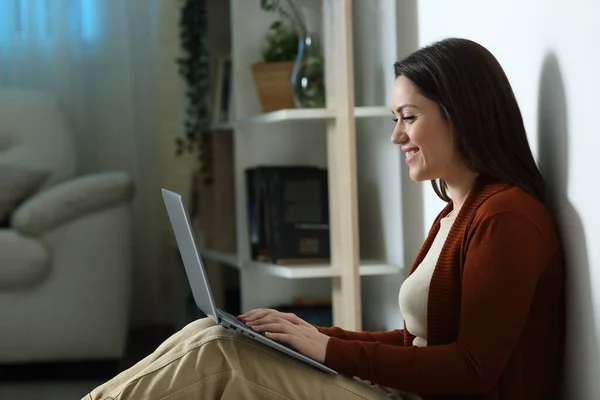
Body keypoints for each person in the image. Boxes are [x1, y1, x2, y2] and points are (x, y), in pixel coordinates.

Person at [84, 38, 564, 400]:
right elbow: (415, 343)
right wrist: (314, 335)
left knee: (221, 355)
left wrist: (330, 351)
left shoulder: (507, 218)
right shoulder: (454, 214)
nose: (397, 137)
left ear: (462, 115)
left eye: (409, 117)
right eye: (395, 119)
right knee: (209, 332)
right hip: (408, 390)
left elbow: (470, 371)